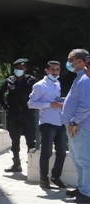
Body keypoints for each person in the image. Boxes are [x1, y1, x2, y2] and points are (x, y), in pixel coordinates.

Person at [28, 61, 68, 189]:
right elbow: (31, 104)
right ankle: (43, 179)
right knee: (47, 152)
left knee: (62, 152)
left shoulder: (57, 83)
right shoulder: (39, 85)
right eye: (52, 70)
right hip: (47, 122)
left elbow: (55, 100)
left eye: (57, 70)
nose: (55, 72)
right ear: (47, 70)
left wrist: (61, 101)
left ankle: (55, 176)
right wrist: (49, 104)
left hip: (59, 121)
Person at [0, 58, 37, 173]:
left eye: (21, 68)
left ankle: (32, 165)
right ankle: (16, 163)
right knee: (14, 139)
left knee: (30, 139)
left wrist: (35, 107)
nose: (19, 70)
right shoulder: (9, 80)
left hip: (27, 113)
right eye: (17, 68)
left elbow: (40, 93)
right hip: (13, 113)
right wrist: (6, 107)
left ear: (25, 69)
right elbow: (0, 94)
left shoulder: (32, 80)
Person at [62, 49, 90, 201]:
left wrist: (74, 122)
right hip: (76, 126)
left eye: (70, 60)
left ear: (80, 61)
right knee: (77, 160)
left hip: (81, 126)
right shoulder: (80, 77)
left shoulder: (85, 79)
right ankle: (82, 188)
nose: (68, 63)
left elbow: (86, 104)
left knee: (84, 160)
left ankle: (87, 193)